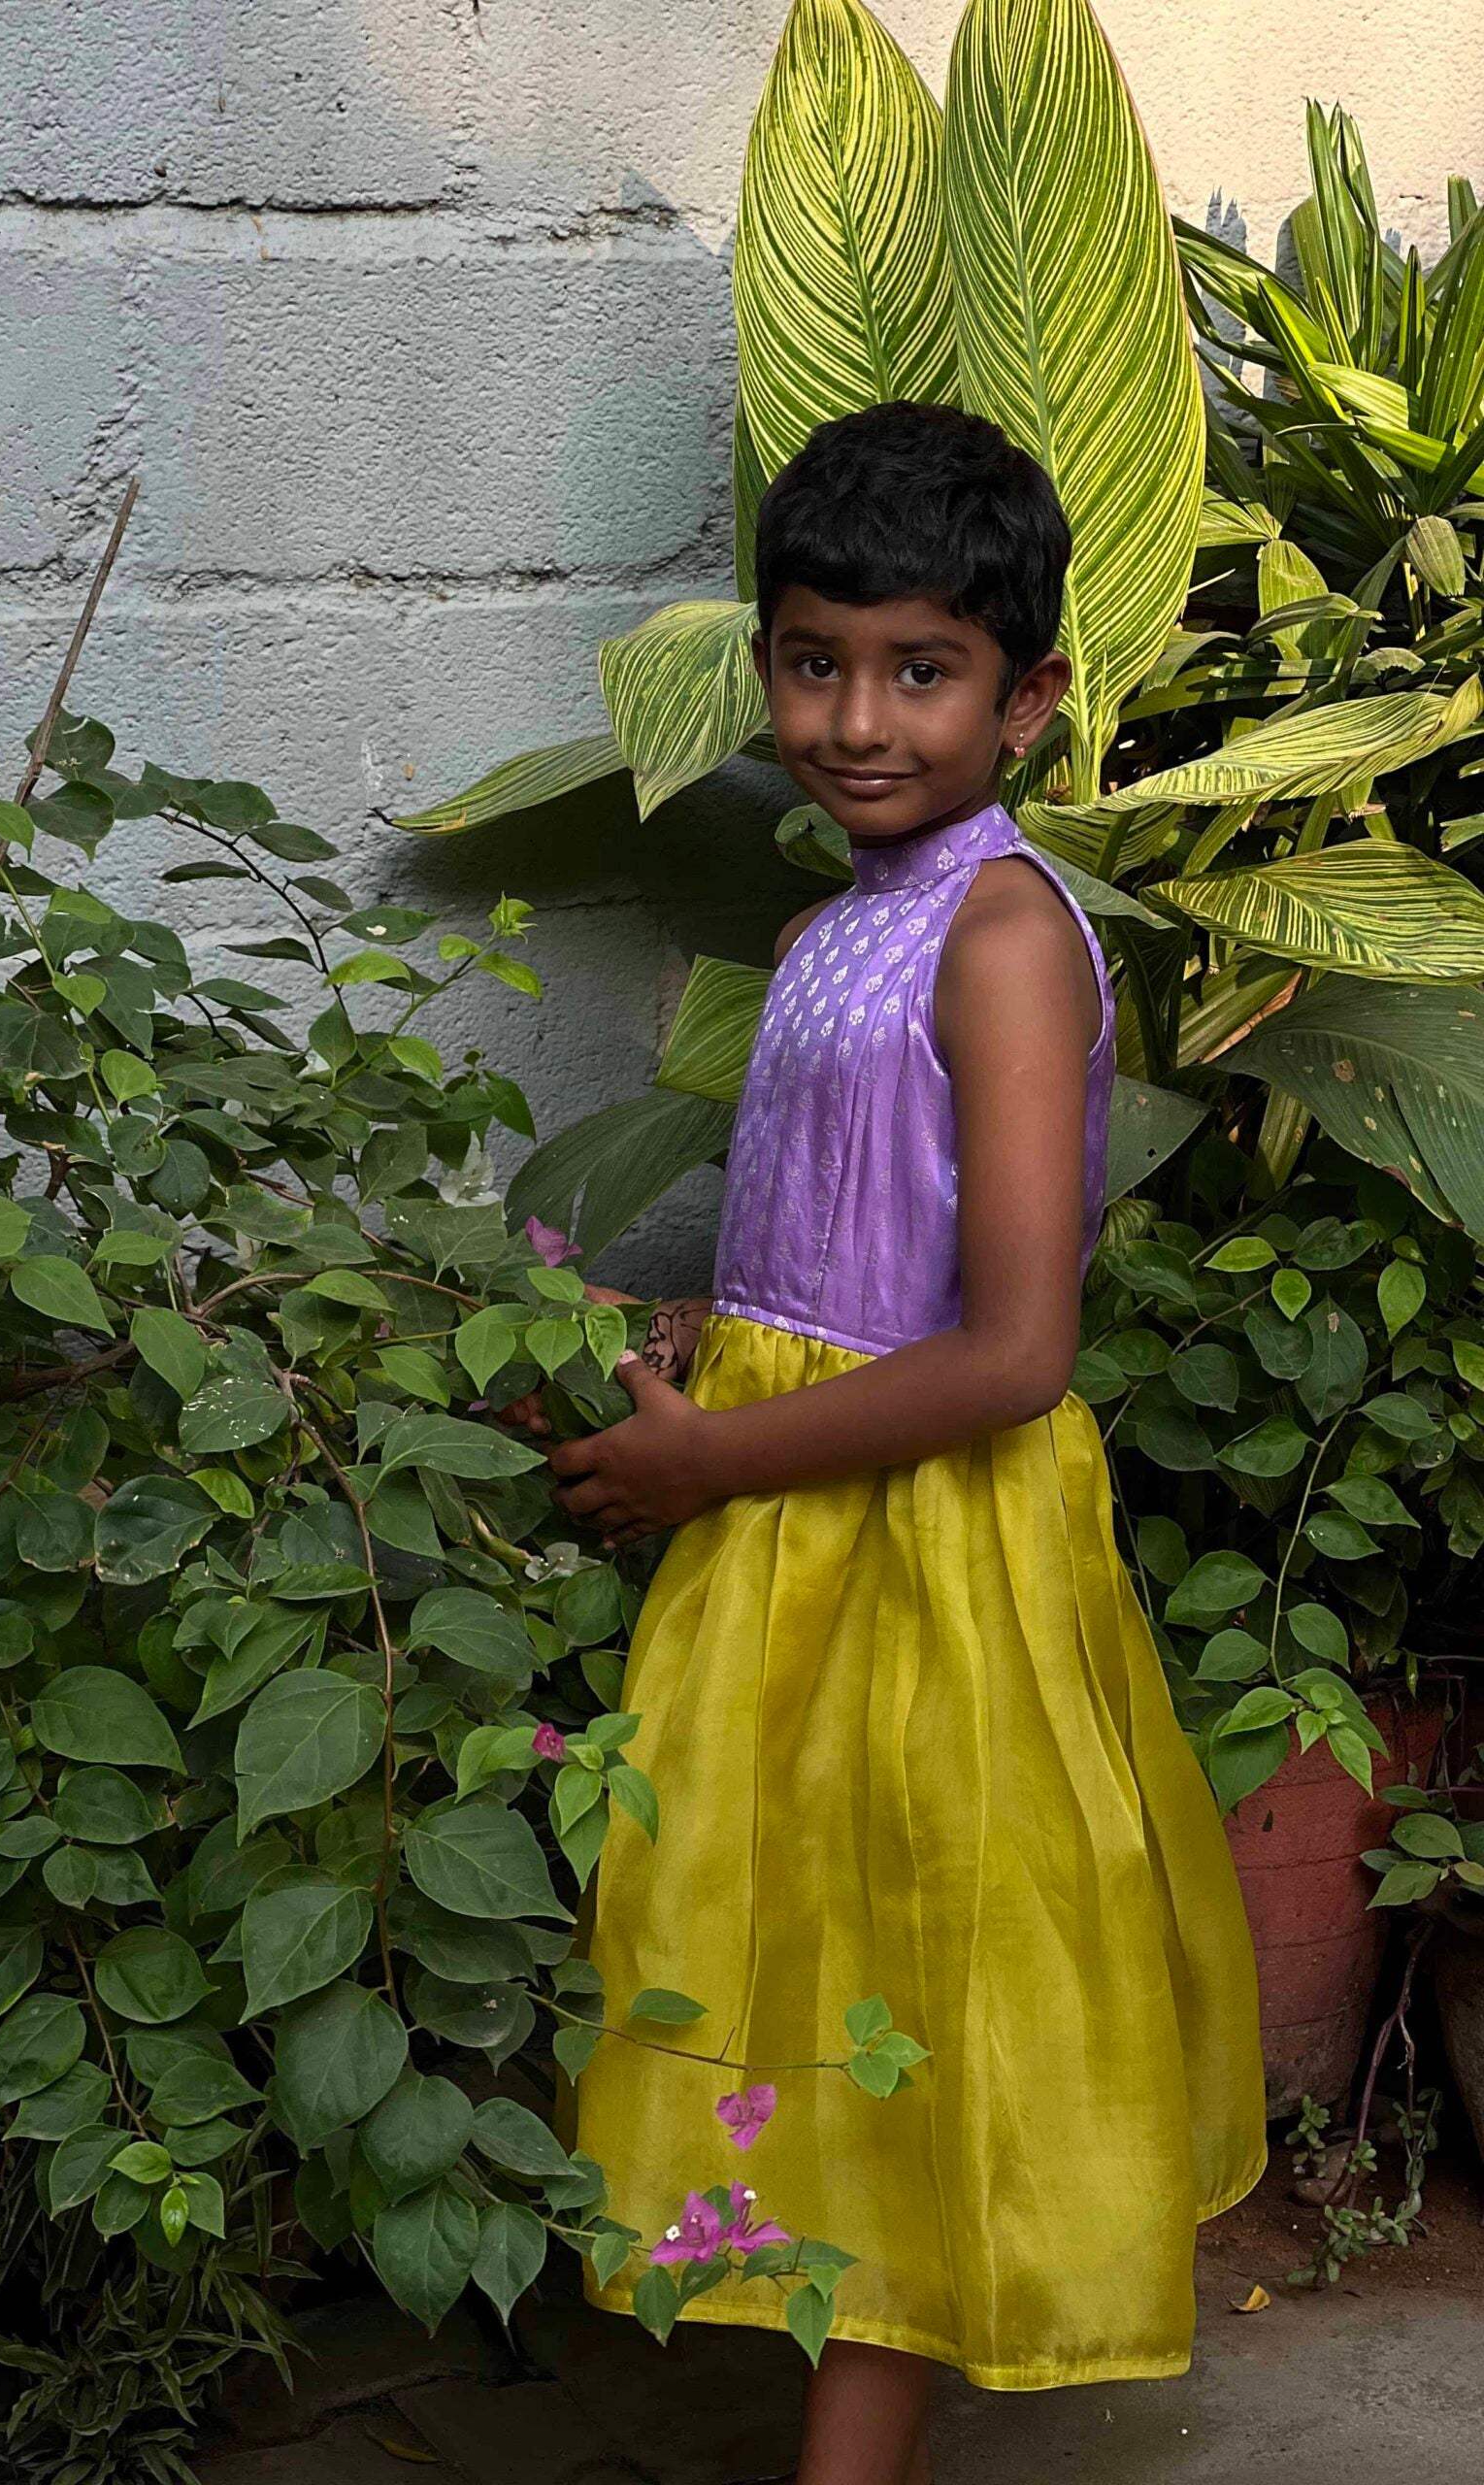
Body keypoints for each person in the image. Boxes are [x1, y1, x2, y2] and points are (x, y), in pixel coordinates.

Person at [512, 404, 1266, 2485]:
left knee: (910, 1977)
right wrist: (665, 1339)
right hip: (793, 1521)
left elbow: (1016, 1348)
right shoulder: (837, 915)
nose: (857, 717)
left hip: (923, 1547)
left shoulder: (1007, 936)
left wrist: (706, 1461)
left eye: (920, 670)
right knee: (801, 1951)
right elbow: (832, 1251)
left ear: (1026, 697)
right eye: (814, 658)